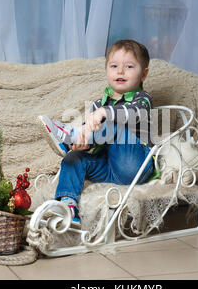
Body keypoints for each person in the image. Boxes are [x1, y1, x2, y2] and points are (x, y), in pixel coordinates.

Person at [39, 39, 158, 226]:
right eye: (114, 66)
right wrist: (85, 144)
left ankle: (69, 137)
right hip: (109, 169)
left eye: (128, 66)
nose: (120, 71)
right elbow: (96, 138)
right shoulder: (98, 104)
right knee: (74, 158)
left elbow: (134, 115)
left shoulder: (143, 99)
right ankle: (68, 206)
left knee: (112, 122)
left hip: (135, 166)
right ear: (107, 70)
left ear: (143, 74)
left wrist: (103, 113)